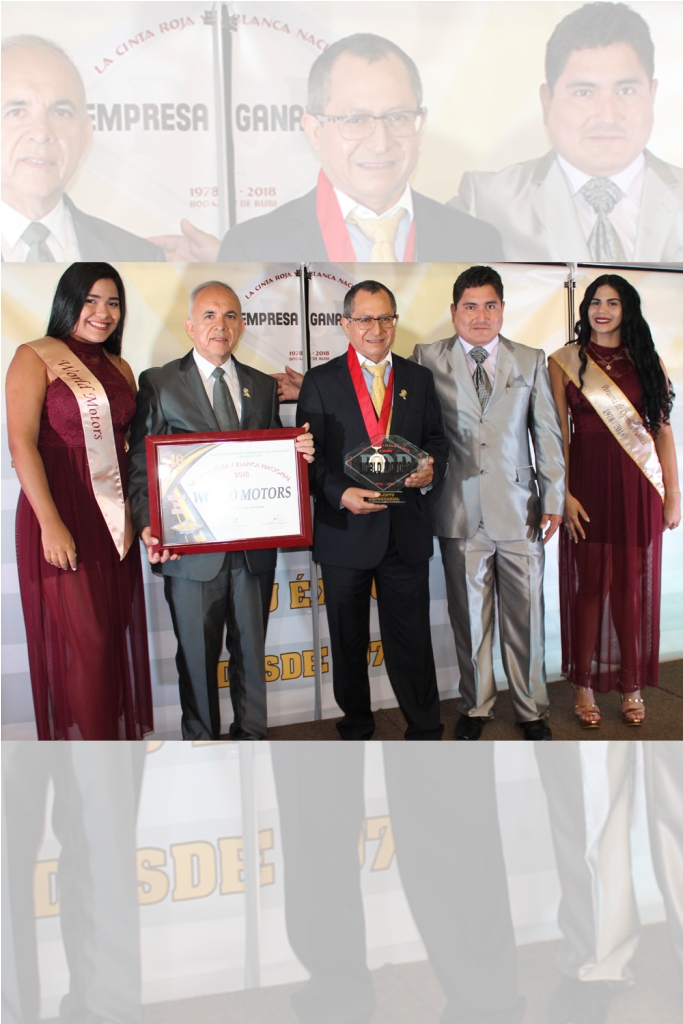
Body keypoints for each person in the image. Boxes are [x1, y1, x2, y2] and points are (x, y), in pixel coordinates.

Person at [127, 281, 314, 741]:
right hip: (190, 554)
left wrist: (298, 453)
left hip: (252, 552)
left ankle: (252, 742)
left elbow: (271, 459)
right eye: (209, 315)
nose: (220, 325)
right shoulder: (159, 382)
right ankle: (203, 749)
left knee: (251, 655)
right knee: (196, 658)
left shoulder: (261, 386)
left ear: (242, 325)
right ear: (190, 325)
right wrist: (148, 524)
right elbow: (141, 467)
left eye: (230, 315)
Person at [155, 34, 503, 263]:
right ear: (314, 130)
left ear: (420, 122)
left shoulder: (477, 244)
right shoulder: (253, 250)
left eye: (397, 117)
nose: (380, 142)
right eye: (355, 120)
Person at [412, 266, 565, 741]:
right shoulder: (426, 358)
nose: (481, 316)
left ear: (502, 308)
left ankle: (532, 709)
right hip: (457, 509)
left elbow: (547, 434)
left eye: (490, 305)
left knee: (526, 618)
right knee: (470, 621)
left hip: (521, 511)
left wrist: (554, 496)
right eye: (470, 306)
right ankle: (475, 706)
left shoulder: (530, 359)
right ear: (454, 310)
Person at [6, 263, 153, 741]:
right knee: (90, 643)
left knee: (108, 640)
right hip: (60, 508)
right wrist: (50, 523)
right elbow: (21, 444)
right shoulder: (35, 356)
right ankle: (95, 752)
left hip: (111, 516)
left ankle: (103, 748)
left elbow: (133, 446)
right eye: (90, 300)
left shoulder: (120, 367)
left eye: (113, 303)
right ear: (68, 301)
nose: (102, 312)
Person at [295, 280, 448, 740]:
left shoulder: (418, 378)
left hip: (405, 532)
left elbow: (437, 440)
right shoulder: (320, 381)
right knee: (348, 641)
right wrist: (339, 493)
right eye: (364, 318)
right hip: (345, 532)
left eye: (385, 318)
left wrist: (430, 468)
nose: (376, 328)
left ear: (395, 322)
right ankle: (357, 727)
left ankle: (426, 729)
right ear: (346, 324)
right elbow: (308, 459)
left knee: (412, 639)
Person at [453, 3, 683, 262]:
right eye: (584, 93)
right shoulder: (485, 203)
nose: (607, 116)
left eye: (626, 91)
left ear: (652, 94)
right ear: (547, 101)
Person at [548, 275, 680, 727]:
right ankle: (583, 685)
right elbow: (557, 435)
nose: (602, 310)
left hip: (637, 486)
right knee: (589, 587)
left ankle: (631, 684)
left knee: (630, 587)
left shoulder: (647, 361)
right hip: (586, 486)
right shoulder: (564, 361)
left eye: (613, 303)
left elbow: (662, 431)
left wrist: (673, 494)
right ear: (584, 308)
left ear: (627, 310)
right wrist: (563, 493)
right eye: (595, 302)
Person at [1, 35, 164, 262]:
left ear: (85, 136)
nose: (42, 133)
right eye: (17, 112)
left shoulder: (140, 258)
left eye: (61, 113)